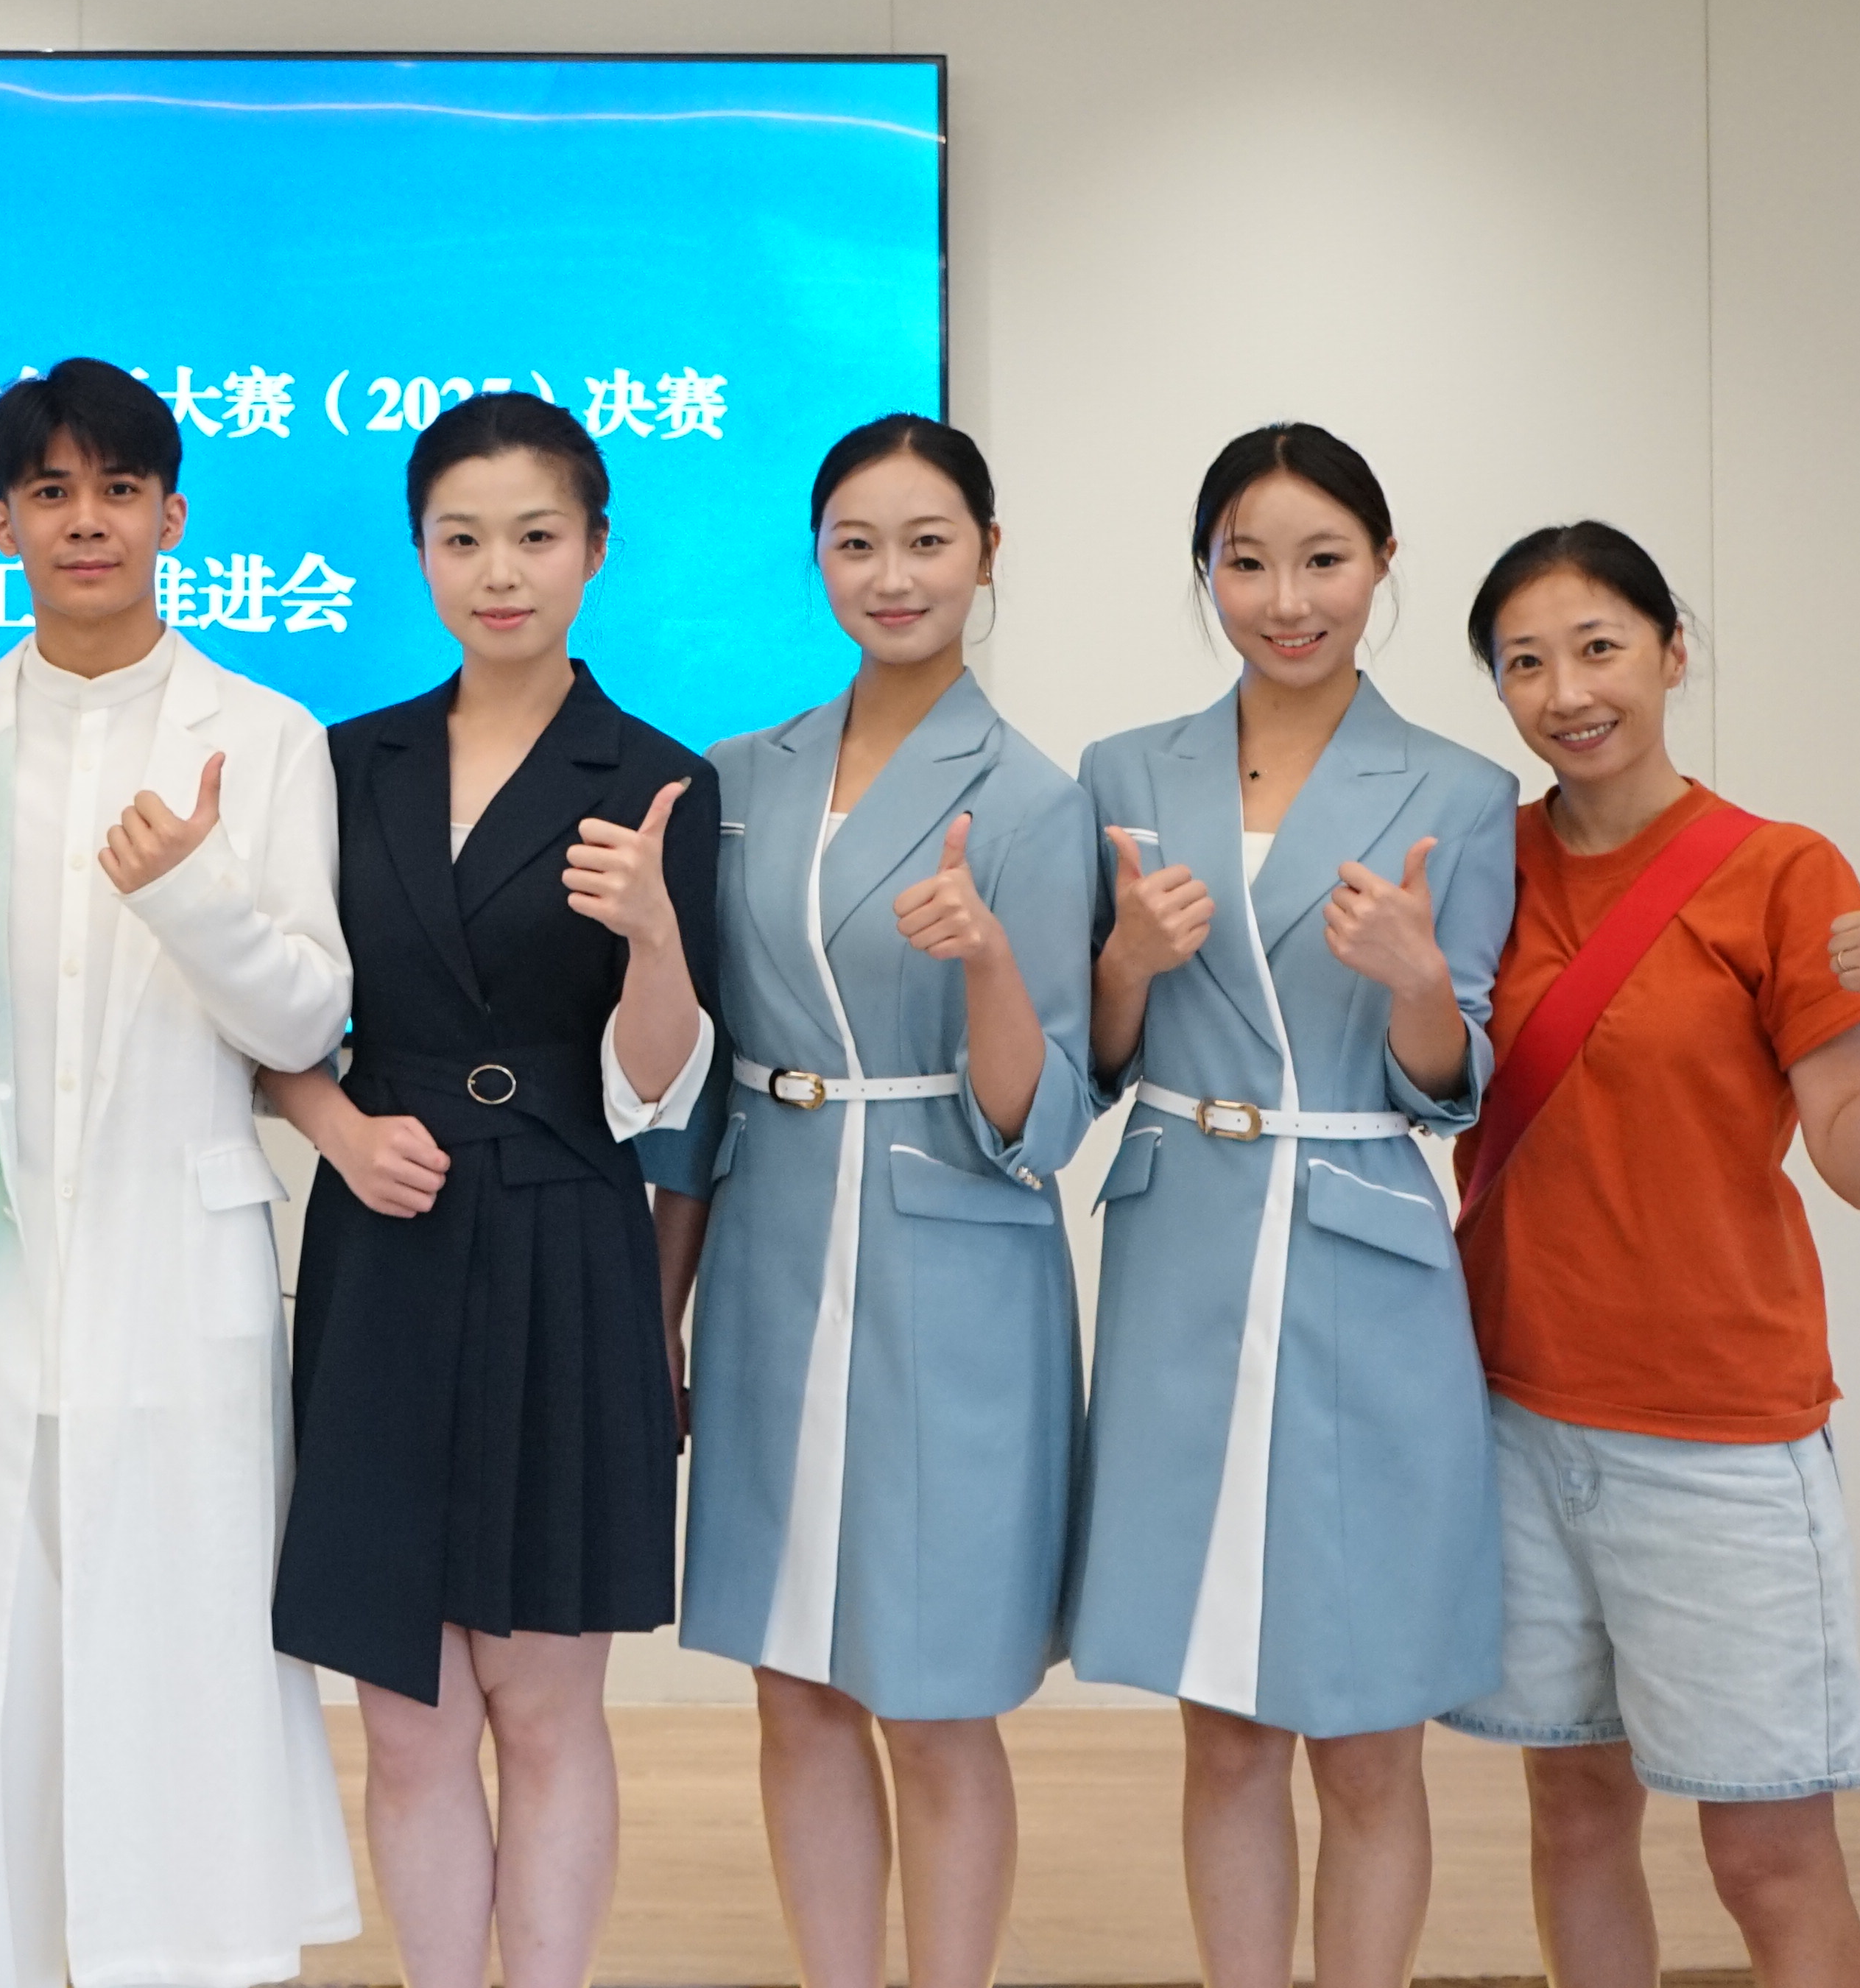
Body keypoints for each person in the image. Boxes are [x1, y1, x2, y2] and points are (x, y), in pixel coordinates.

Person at [0, 357, 362, 1988]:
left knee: (174, 1642)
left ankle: (182, 1952)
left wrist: (194, 894)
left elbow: (310, 1016)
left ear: (172, 516)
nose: (88, 520)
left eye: (119, 490)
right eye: (52, 491)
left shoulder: (264, 736)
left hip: (171, 1262)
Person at [1443, 523, 1860, 1988]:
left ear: (1674, 653)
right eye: (1525, 662)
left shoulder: (1779, 872)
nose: (1566, 692)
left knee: (1768, 1855)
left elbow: (1859, 1161)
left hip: (1719, 1437)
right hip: (1515, 1414)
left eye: (1599, 647)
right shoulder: (1486, 860)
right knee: (1574, 1813)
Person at [261, 395, 719, 1988]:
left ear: (595, 547)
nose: (500, 571)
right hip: (384, 1239)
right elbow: (268, 1017)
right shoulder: (346, 762)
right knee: (406, 1711)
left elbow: (660, 1085)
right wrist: (334, 1124)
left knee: (544, 1702)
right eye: (463, 539)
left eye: (535, 535)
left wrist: (654, 936)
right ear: (421, 554)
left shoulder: (655, 777)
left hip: (564, 1242)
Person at [641, 413, 1096, 1988]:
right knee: (794, 1681)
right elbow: (700, 1080)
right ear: (818, 559)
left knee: (936, 1691)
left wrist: (989, 962)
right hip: (771, 1249)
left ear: (986, 552)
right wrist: (662, 1308)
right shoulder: (739, 775)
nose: (892, 575)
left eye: (927, 541)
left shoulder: (1033, 798)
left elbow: (1043, 1121)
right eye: (857, 544)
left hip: (954, 1272)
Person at [1063, 422, 1518, 1988]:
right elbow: (1096, 1062)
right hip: (1184, 1245)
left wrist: (1416, 982)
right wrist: (1126, 962)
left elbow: (1450, 1088)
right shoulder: (1127, 772)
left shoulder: (1462, 788)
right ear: (1206, 573)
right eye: (1246, 562)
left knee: (1371, 1730)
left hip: (1363, 1263)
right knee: (1227, 1725)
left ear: (1382, 564)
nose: (1286, 598)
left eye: (1323, 559)